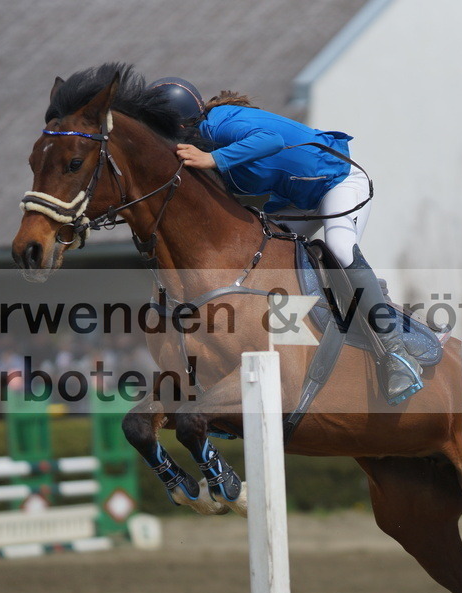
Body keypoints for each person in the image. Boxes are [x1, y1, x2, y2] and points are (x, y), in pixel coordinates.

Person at [149, 77, 422, 405]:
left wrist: (213, 161)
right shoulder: (203, 140)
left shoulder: (222, 123)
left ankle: (396, 353)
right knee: (263, 253)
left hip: (340, 181)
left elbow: (271, 139)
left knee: (338, 248)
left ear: (179, 123)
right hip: (299, 200)